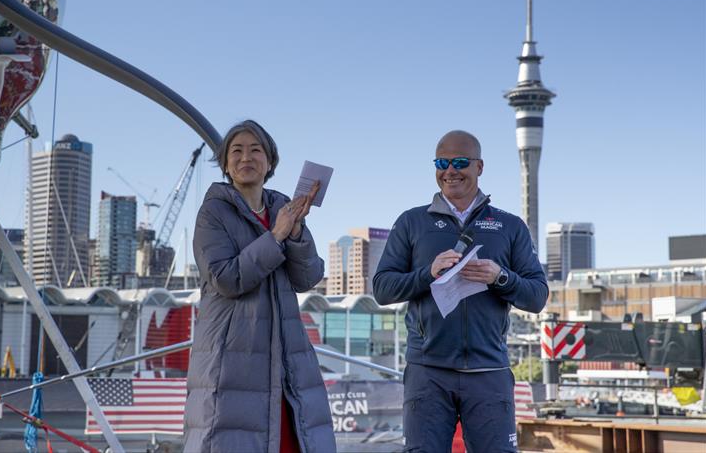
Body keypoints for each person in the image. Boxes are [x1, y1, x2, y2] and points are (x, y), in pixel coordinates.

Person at [372, 130, 548, 453]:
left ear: (479, 167)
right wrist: (428, 273)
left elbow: (537, 296)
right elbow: (382, 289)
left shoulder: (509, 227)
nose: (450, 171)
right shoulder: (411, 222)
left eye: (460, 162)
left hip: (489, 371)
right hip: (428, 372)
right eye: (442, 162)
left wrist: (500, 277)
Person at [184, 120, 336, 453]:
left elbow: (307, 278)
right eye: (236, 151)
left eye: (256, 150)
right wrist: (277, 235)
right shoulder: (213, 213)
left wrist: (295, 233)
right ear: (225, 163)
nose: (246, 157)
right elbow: (226, 278)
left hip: (286, 360)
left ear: (270, 162)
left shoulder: (285, 209)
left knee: (294, 440)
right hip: (233, 362)